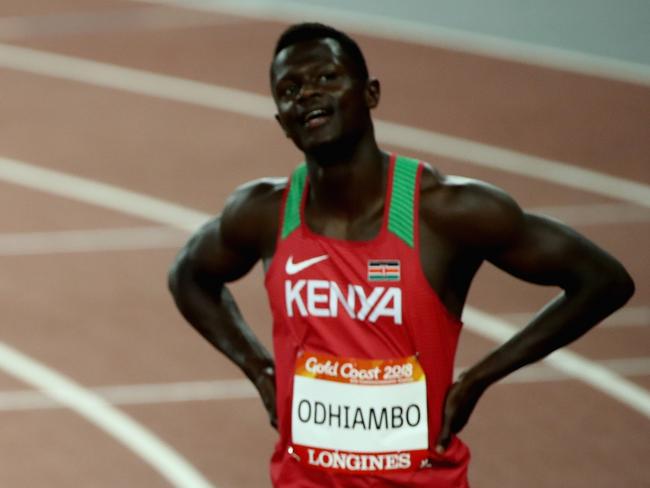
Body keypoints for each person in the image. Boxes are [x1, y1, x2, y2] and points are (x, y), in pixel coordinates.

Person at [168, 22, 634, 487]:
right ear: (281, 121)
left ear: (370, 93)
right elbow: (188, 275)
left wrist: (477, 379)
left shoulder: (445, 211)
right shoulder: (264, 214)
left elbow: (601, 281)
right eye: (289, 89)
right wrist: (259, 367)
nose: (307, 93)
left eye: (327, 77)